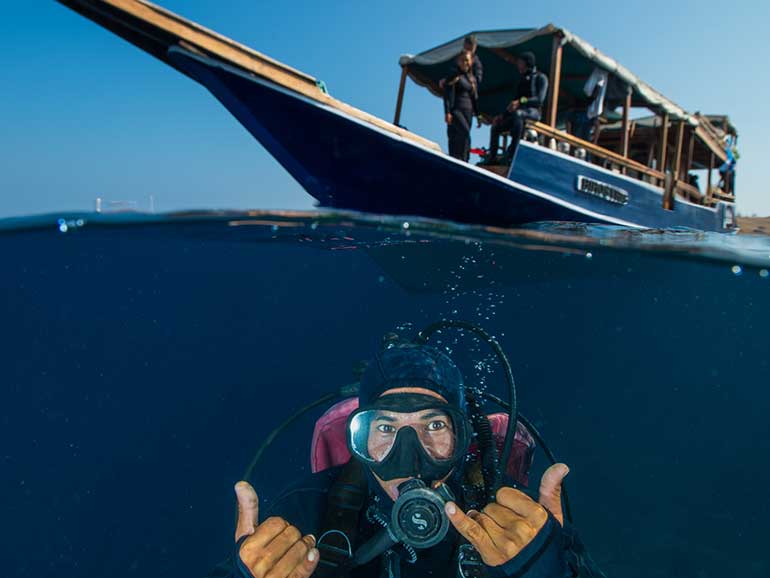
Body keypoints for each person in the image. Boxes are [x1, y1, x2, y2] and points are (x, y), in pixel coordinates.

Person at [210, 342, 602, 578]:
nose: (409, 456)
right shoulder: (307, 509)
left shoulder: (517, 520)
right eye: (385, 429)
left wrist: (546, 569)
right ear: (358, 441)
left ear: (463, 437)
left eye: (433, 425)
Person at [487, 52, 548, 165]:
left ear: (527, 63)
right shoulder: (521, 80)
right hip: (518, 113)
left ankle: (513, 153)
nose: (518, 65)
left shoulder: (541, 77)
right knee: (496, 126)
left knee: (518, 114)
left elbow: (539, 99)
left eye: (520, 62)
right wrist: (502, 115)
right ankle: (492, 158)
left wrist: (521, 101)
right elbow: (513, 103)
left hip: (533, 112)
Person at [443, 51, 480, 161]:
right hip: (456, 110)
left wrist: (478, 115)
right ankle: (462, 160)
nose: (465, 63)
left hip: (468, 113)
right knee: (465, 134)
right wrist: (447, 112)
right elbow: (447, 94)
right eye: (463, 60)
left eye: (467, 60)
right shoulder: (454, 75)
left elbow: (474, 99)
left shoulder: (472, 79)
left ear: (471, 62)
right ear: (459, 62)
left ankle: (464, 160)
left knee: (462, 138)